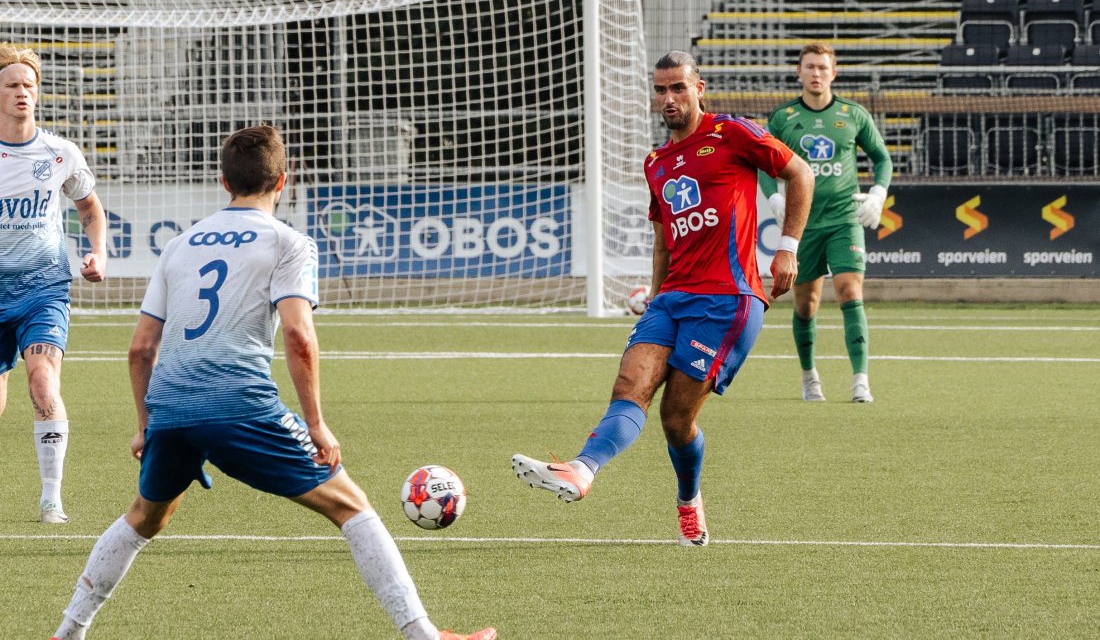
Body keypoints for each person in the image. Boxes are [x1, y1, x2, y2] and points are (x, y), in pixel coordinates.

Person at [51, 126, 494, 640]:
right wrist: (318, 425)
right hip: (241, 405)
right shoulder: (289, 242)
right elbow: (299, 336)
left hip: (171, 405)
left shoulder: (179, 245)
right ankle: (425, 636)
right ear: (283, 180)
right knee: (351, 505)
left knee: (145, 517)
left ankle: (67, 632)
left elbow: (140, 349)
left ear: (223, 181)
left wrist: (147, 424)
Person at [511, 51, 814, 546]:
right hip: (673, 298)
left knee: (676, 420)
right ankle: (582, 470)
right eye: (660, 90)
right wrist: (655, 297)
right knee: (629, 386)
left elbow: (800, 174)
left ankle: (688, 500)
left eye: (677, 87)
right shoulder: (657, 161)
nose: (668, 98)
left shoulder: (731, 134)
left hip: (727, 299)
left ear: (700, 88)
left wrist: (786, 249)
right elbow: (662, 236)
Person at [0, 43, 107, 524]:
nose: (22, 92)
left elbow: (89, 207)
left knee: (43, 383)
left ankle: (51, 499)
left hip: (44, 286)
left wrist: (97, 250)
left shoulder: (59, 152)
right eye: (12, 85)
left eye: (29, 85)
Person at [759, 42, 894, 404]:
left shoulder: (853, 114)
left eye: (822, 67)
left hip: (843, 219)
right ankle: (809, 376)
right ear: (799, 72)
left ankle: (861, 380)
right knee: (807, 304)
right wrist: (773, 197)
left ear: (834, 73)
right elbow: (763, 164)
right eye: (810, 67)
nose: (816, 73)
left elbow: (882, 158)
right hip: (801, 225)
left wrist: (878, 193)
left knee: (851, 290)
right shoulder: (783, 119)